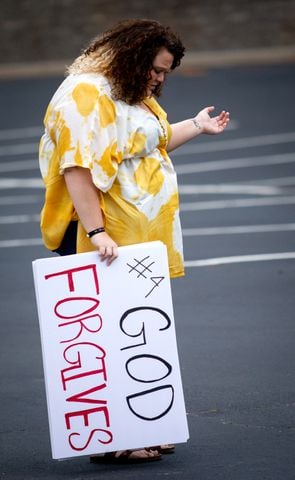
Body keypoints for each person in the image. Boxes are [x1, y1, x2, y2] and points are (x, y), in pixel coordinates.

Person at [39, 18, 230, 464]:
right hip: (103, 237)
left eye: (165, 73)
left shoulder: (127, 93)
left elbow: (152, 144)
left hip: (136, 240)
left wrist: (197, 126)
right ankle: (114, 440)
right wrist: (97, 231)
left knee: (138, 337)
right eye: (157, 69)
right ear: (133, 55)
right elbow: (77, 168)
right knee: (107, 338)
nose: (160, 79)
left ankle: (144, 427)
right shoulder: (85, 93)